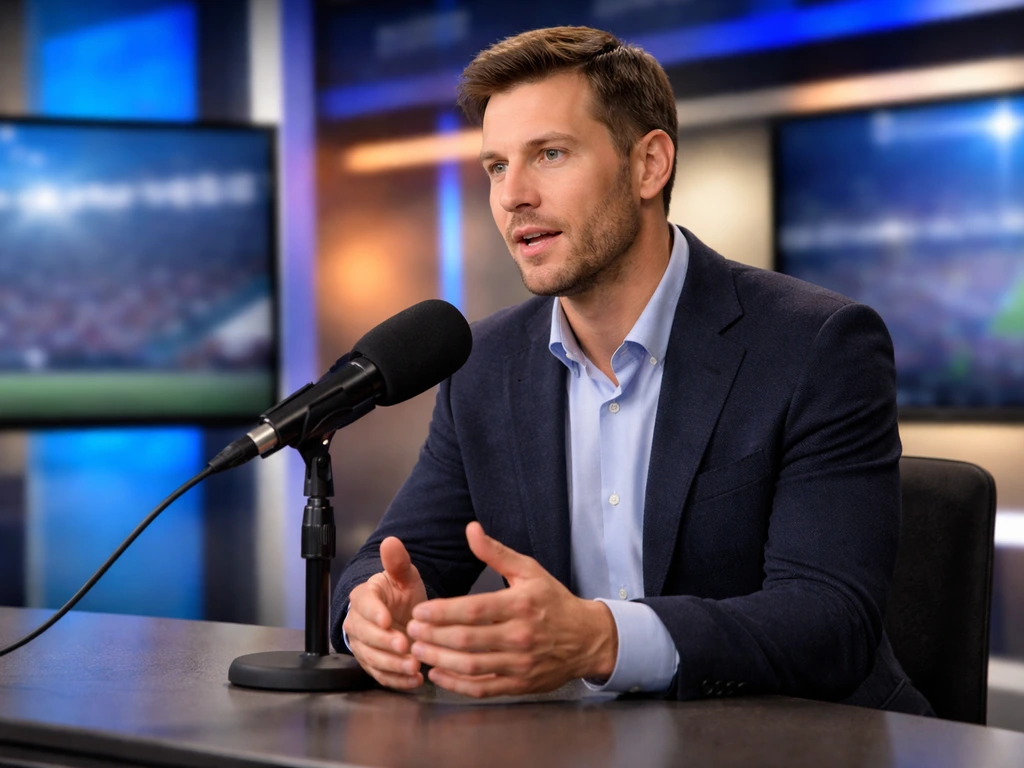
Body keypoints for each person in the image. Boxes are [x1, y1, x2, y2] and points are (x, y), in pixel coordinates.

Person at [330, 26, 932, 714]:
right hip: (575, 749)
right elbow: (393, 561)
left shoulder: (817, 344)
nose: (512, 196)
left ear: (649, 165)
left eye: (549, 154)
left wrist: (602, 639)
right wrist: (370, 613)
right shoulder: (485, 364)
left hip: (798, 744)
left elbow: (830, 622)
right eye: (496, 166)